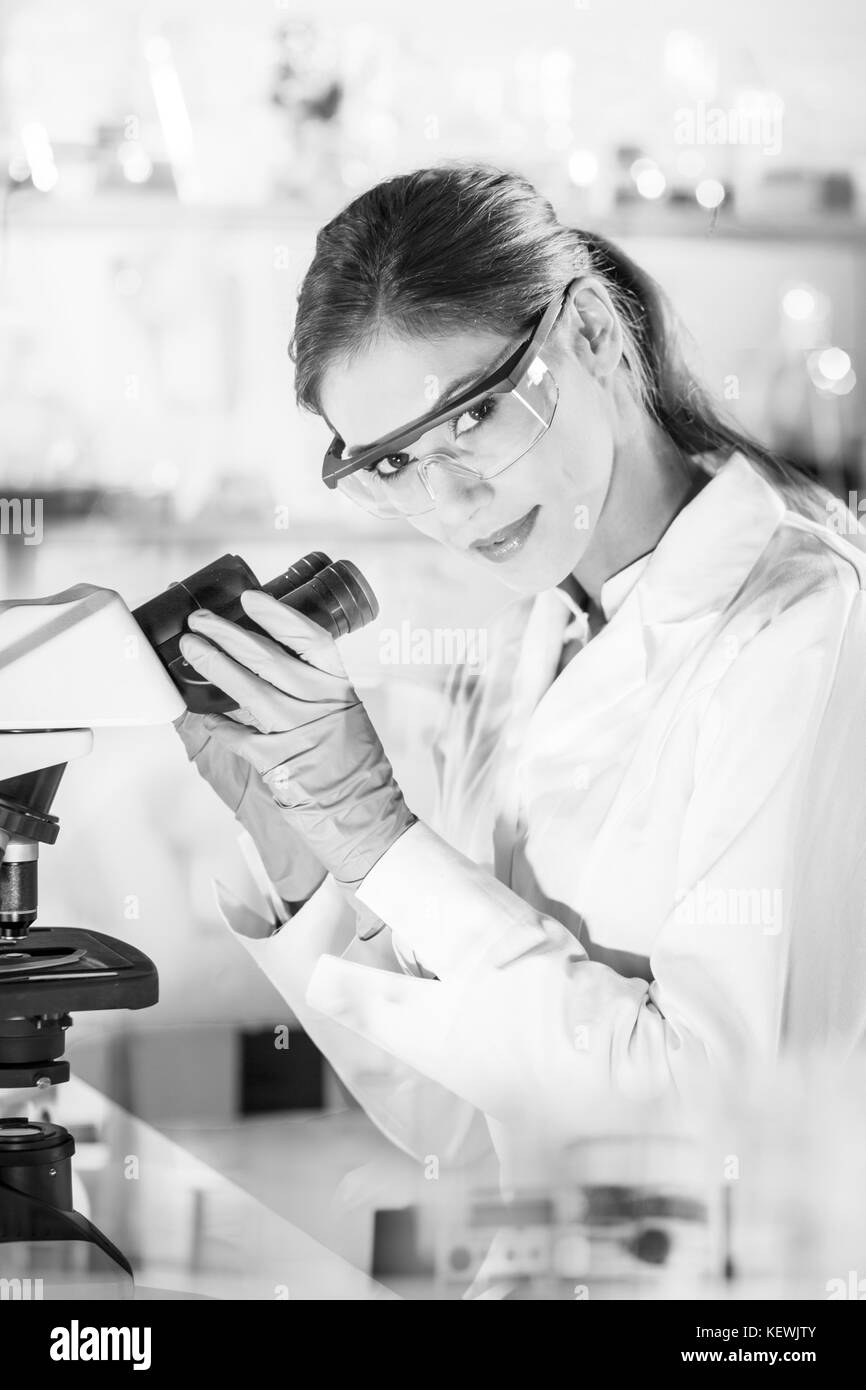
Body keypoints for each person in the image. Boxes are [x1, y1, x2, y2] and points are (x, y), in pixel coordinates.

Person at [174, 164, 866, 1179]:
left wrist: (383, 835)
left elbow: (710, 1130)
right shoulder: (519, 645)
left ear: (587, 333)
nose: (449, 504)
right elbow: (459, 1122)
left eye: (470, 417)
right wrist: (309, 862)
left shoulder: (807, 624)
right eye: (391, 465)